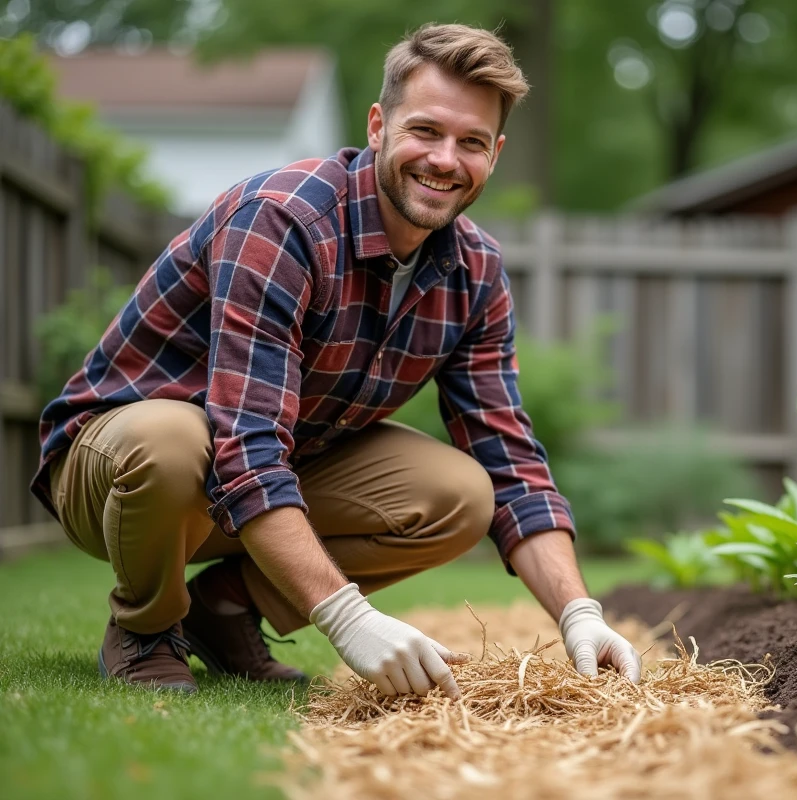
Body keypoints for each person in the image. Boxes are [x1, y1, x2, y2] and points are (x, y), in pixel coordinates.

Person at [30, 22, 641, 697]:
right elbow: (245, 440)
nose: (445, 159)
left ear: (494, 155)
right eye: (425, 131)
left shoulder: (476, 272)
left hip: (264, 467)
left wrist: (579, 612)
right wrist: (346, 616)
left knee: (463, 494)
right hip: (115, 469)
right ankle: (145, 629)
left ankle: (226, 610)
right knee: (174, 440)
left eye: (470, 143)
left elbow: (509, 457)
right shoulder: (282, 221)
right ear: (378, 124)